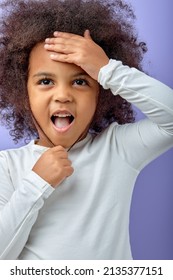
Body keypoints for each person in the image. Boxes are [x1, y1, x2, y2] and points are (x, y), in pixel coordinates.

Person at [0, 0, 172, 260]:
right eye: (46, 81)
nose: (63, 96)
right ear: (23, 92)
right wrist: (35, 184)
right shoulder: (7, 166)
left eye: (80, 81)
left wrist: (106, 69)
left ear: (100, 94)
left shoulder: (117, 149)